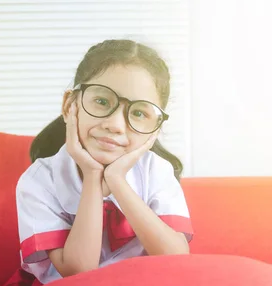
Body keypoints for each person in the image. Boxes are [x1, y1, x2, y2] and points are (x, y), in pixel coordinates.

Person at [15, 39, 194, 285]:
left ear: (155, 128)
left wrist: (117, 180)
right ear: (70, 106)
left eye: (139, 113)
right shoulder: (39, 180)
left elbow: (175, 258)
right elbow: (79, 272)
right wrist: (92, 177)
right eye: (101, 102)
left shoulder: (157, 171)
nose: (115, 125)